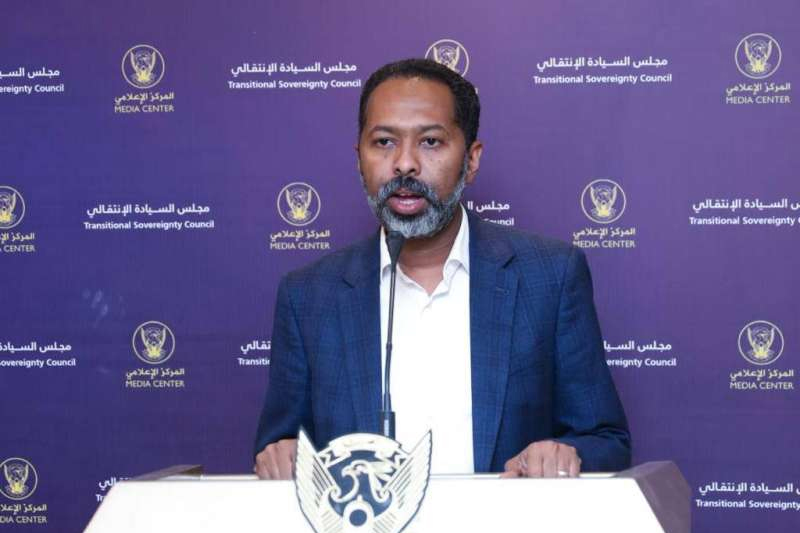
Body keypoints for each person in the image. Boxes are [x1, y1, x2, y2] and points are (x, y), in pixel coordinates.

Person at [254, 58, 630, 480]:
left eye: (430, 142)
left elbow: (606, 441)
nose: (404, 164)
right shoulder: (308, 296)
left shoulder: (550, 277)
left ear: (471, 160)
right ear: (359, 158)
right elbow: (280, 449)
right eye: (383, 142)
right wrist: (281, 455)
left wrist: (563, 455)